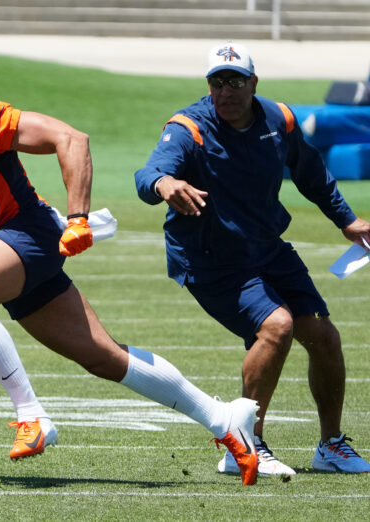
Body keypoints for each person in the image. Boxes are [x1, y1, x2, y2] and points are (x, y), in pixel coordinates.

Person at [0, 35, 260, 485]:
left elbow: (71, 139)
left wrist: (78, 218)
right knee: (105, 358)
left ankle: (32, 416)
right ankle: (223, 419)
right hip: (2, 252)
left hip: (27, 233)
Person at [135, 41, 370, 475]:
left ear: (253, 82)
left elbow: (311, 174)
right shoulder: (189, 126)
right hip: (209, 257)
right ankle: (243, 445)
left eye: (235, 81)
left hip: (265, 248)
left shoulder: (278, 118)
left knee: (324, 337)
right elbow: (147, 173)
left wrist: (348, 221)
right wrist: (165, 184)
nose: (225, 90)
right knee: (276, 326)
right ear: (208, 85)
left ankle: (331, 446)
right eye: (217, 81)